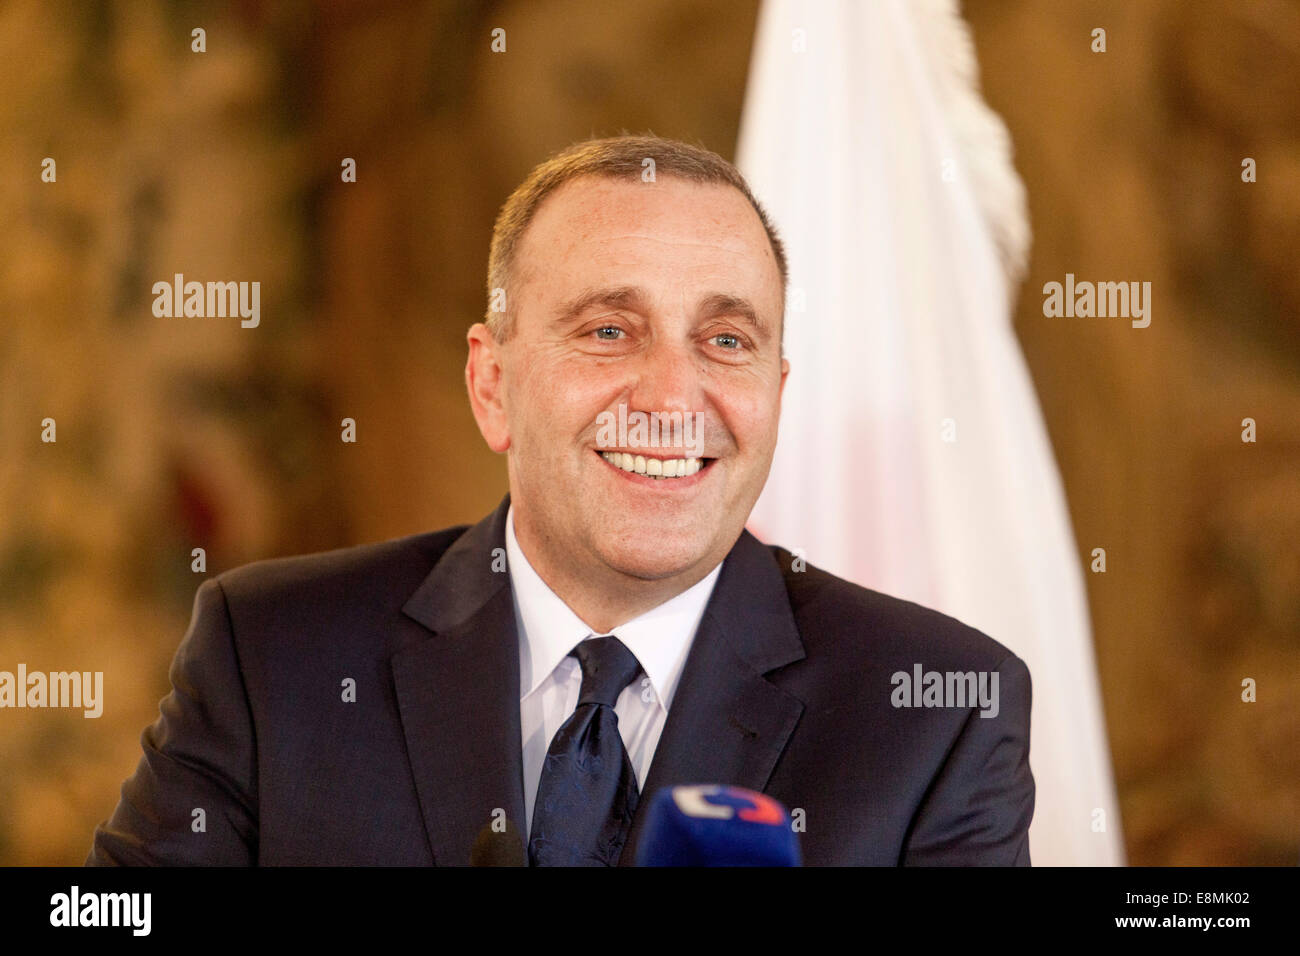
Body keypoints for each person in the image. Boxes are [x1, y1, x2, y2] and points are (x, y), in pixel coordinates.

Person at [87, 134, 1034, 866]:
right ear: (492, 383)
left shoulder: (937, 715)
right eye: (610, 330)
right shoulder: (271, 654)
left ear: (777, 394)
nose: (672, 396)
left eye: (726, 341)